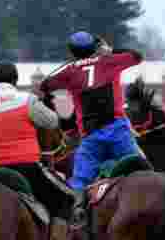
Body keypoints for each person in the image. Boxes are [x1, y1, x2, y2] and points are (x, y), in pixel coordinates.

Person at [0, 61, 74, 240]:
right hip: (24, 169)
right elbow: (52, 121)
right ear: (15, 80)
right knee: (66, 199)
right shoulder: (26, 100)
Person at [39, 31, 144, 229]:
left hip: (91, 139)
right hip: (119, 132)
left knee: (79, 180)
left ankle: (77, 213)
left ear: (72, 51)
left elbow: (45, 85)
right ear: (95, 47)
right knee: (142, 167)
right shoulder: (109, 60)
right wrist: (109, 50)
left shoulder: (69, 70)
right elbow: (137, 56)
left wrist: (73, 63)